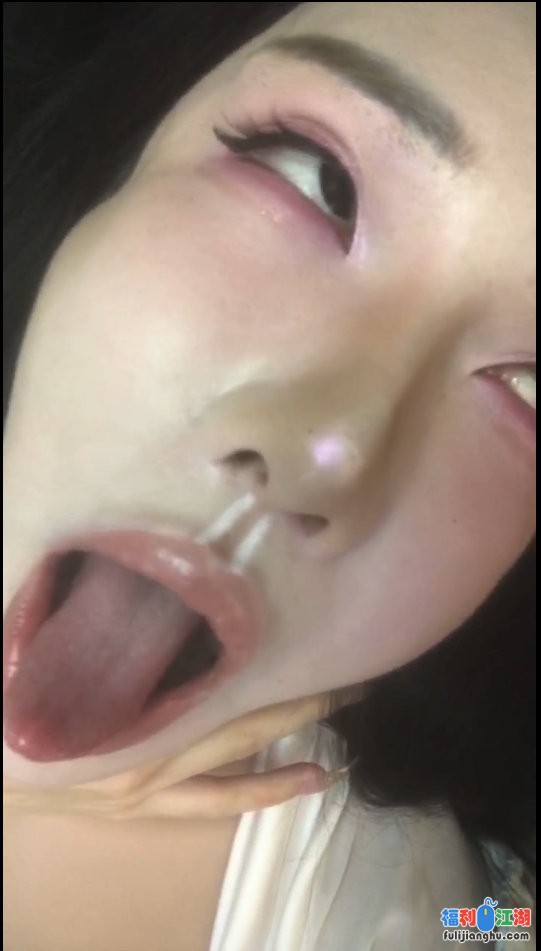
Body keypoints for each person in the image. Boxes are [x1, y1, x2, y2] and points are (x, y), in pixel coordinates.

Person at [3, 3, 535, 949]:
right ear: (129, 137)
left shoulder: (410, 915)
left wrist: (497, 920)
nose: (326, 454)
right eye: (319, 179)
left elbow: (504, 923)